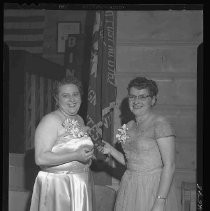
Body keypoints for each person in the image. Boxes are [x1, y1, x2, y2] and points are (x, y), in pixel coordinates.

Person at [100, 77, 179, 211]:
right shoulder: (129, 126)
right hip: (130, 185)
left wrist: (160, 201)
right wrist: (111, 150)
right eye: (132, 97)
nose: (136, 101)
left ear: (153, 100)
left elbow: (169, 165)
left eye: (142, 97)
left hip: (152, 187)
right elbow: (131, 162)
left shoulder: (160, 124)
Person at [30, 76, 95, 211]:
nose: (72, 99)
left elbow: (69, 147)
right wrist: (75, 155)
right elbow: (40, 158)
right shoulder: (50, 120)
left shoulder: (79, 119)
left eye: (75, 94)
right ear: (56, 99)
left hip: (80, 182)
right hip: (58, 186)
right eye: (65, 95)